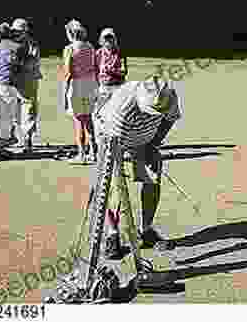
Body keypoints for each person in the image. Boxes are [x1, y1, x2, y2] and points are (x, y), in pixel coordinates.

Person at [92, 75, 181, 260]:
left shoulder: (168, 96)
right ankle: (112, 235)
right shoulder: (122, 104)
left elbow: (169, 119)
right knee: (114, 187)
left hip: (145, 138)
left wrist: (153, 143)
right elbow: (114, 143)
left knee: (152, 180)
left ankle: (146, 230)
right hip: (111, 137)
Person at [62, 19, 99, 164]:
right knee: (89, 119)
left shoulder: (69, 49)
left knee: (79, 120)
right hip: (90, 84)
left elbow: (68, 72)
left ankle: (81, 154)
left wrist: (65, 91)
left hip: (76, 85)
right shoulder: (90, 47)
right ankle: (94, 151)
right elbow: (95, 67)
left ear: (70, 33)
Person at [0, 22, 25, 160]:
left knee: (0, 117)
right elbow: (18, 66)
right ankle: (1, 149)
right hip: (7, 85)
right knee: (8, 118)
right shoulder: (16, 47)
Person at [11, 18, 42, 151]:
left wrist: (19, 64)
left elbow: (33, 61)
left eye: (18, 31)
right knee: (15, 110)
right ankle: (20, 138)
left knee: (29, 109)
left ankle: (27, 139)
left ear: (25, 31)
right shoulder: (11, 43)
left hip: (29, 80)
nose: (16, 33)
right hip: (15, 81)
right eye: (15, 31)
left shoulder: (32, 44)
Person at [94, 28, 128, 111]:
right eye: (105, 38)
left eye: (110, 37)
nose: (108, 40)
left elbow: (124, 71)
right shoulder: (98, 53)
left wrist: (111, 70)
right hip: (103, 87)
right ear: (101, 40)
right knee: (98, 112)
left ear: (114, 39)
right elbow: (95, 71)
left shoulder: (120, 53)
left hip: (118, 87)